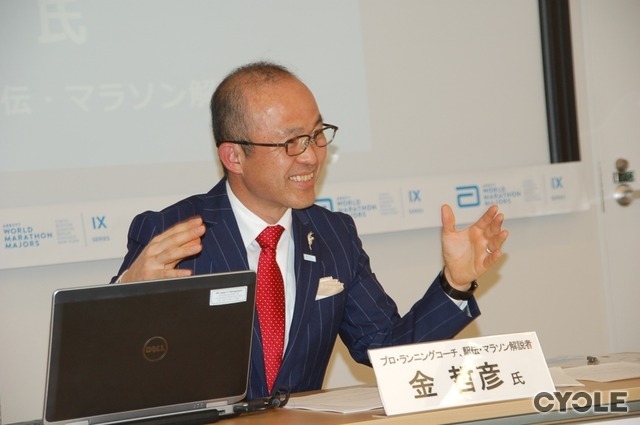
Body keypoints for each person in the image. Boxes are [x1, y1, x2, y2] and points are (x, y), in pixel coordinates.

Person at [112, 61, 508, 400]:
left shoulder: (334, 234)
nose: (312, 156)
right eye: (291, 142)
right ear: (234, 156)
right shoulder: (172, 234)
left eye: (317, 135)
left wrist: (455, 284)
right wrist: (125, 296)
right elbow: (114, 371)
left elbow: (387, 350)